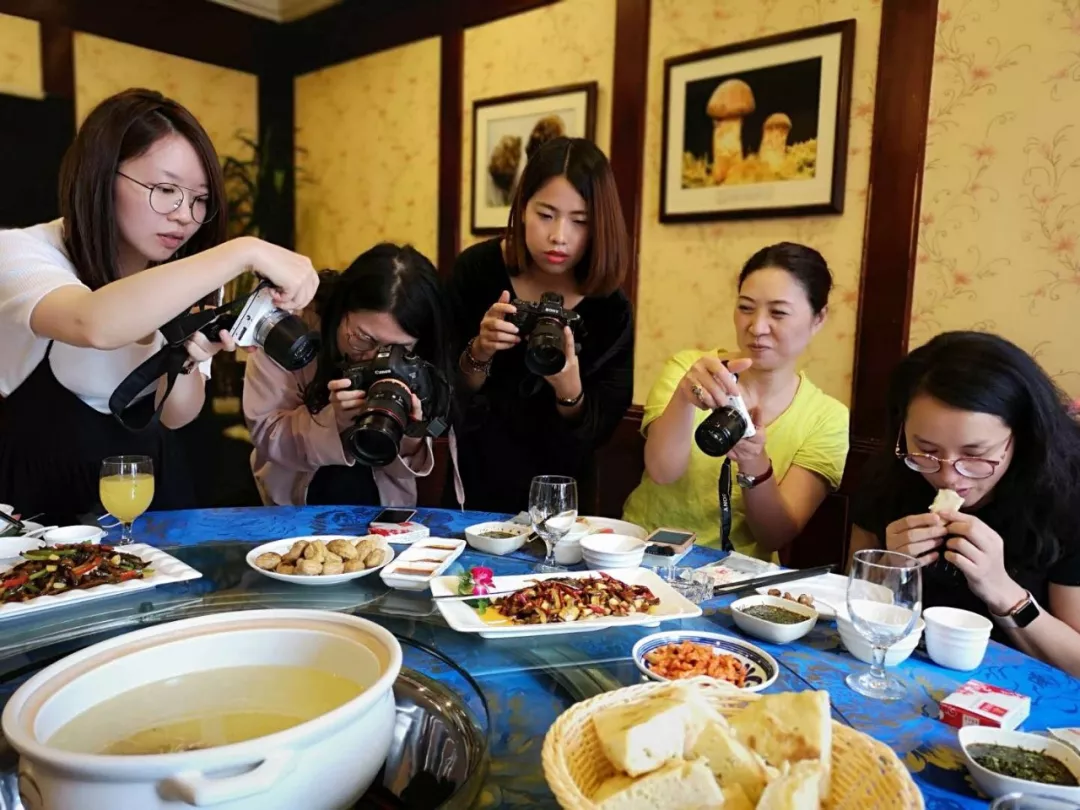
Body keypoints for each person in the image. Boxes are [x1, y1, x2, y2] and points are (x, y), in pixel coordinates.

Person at [0, 88, 317, 525]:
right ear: (101, 175)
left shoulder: (185, 276)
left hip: (151, 500)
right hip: (39, 515)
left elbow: (176, 414)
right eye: (166, 189)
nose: (186, 215)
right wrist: (244, 250)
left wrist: (185, 361)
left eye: (199, 198)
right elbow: (92, 321)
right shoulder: (19, 253)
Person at [849, 332, 1080, 675]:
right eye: (926, 450)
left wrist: (1003, 592)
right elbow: (852, 612)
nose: (948, 478)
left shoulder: (1066, 495)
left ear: (1022, 437)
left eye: (975, 455)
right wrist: (890, 571)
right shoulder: (891, 475)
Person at [623, 242, 849, 560]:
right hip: (645, 556)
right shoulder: (689, 369)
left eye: (779, 313)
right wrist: (683, 400)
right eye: (745, 307)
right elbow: (662, 472)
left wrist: (754, 460)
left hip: (738, 582)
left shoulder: (827, 418)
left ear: (818, 318)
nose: (756, 327)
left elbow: (775, 535)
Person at [448, 136, 634, 513]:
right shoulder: (476, 271)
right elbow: (444, 392)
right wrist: (479, 350)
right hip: (472, 490)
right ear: (522, 207)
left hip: (563, 505)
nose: (559, 236)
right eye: (545, 215)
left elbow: (599, 433)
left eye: (580, 221)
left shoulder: (610, 308)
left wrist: (570, 389)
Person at [244, 244, 461, 507]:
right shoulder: (285, 332)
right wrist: (332, 421)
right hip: (293, 507)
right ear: (341, 307)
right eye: (363, 338)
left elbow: (404, 468)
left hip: (380, 510)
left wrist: (410, 432)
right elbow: (266, 434)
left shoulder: (418, 364)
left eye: (397, 349)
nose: (375, 358)